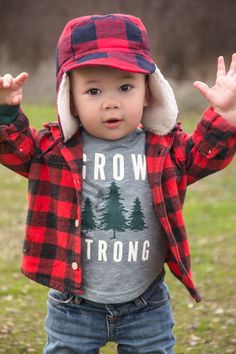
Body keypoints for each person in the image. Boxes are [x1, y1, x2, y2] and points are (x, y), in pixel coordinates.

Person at [0, 13, 235, 354]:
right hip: (73, 306)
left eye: (125, 87)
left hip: (146, 304)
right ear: (71, 99)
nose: (111, 102)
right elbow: (15, 149)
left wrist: (225, 115)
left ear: (147, 92)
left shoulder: (164, 148)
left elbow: (203, 154)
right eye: (93, 90)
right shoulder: (55, 150)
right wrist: (6, 114)